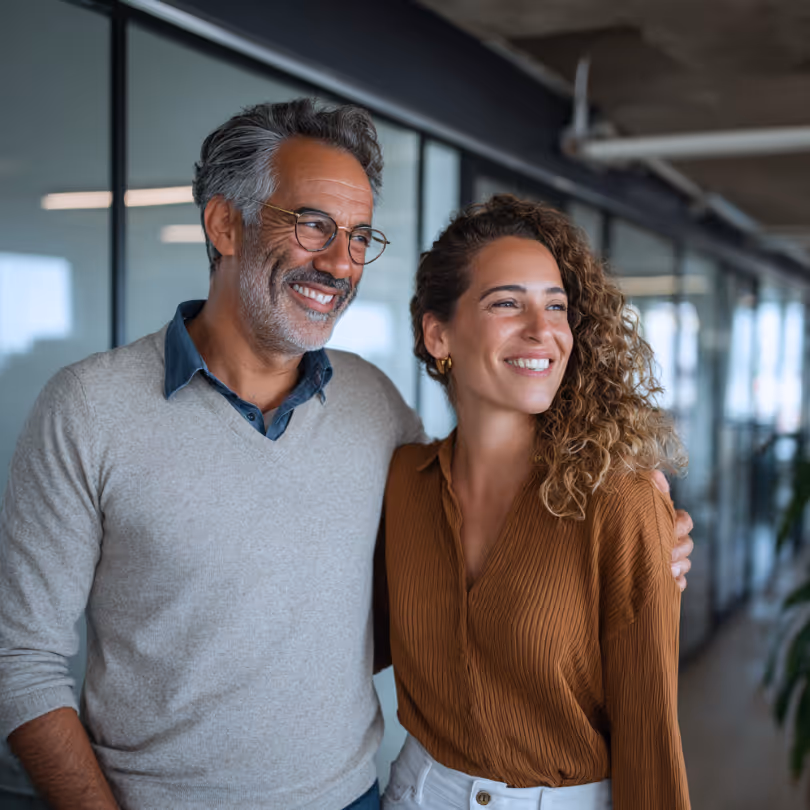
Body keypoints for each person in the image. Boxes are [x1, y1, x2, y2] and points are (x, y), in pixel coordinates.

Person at [0, 100, 693, 810]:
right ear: (223, 224)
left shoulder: (373, 407)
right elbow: (19, 663)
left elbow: (470, 535)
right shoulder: (88, 407)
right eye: (313, 225)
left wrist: (636, 524)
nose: (339, 262)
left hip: (355, 799)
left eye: (360, 236)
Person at [377, 195, 691, 809]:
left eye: (556, 306)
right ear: (437, 333)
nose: (543, 330)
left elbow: (651, 737)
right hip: (413, 792)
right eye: (506, 303)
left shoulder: (620, 504)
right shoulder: (401, 484)